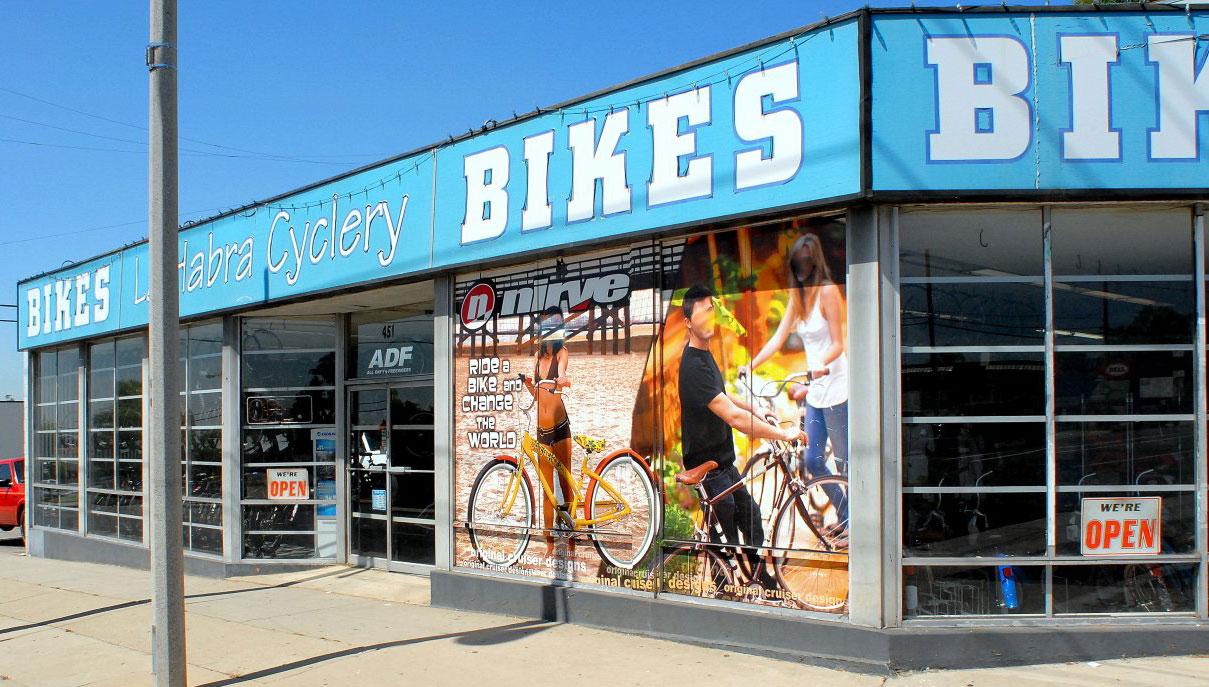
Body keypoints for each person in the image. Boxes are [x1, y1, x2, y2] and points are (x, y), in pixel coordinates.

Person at [678, 285, 805, 589]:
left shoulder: (704, 355)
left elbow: (725, 398)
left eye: (712, 310)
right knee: (730, 539)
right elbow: (733, 418)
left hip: (722, 463)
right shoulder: (694, 365)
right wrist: (782, 433)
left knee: (751, 517)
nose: (710, 317)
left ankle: (757, 579)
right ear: (688, 323)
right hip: (708, 465)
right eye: (703, 312)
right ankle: (728, 591)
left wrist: (759, 410)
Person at [743, 233, 848, 522]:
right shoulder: (797, 298)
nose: (802, 268)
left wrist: (820, 365)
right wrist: (749, 365)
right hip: (815, 390)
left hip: (836, 386)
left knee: (844, 462)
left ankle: (852, 525)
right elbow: (778, 339)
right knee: (813, 460)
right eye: (797, 263)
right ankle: (847, 515)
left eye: (807, 262)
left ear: (815, 262)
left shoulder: (827, 291)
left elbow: (839, 344)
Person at [520, 306, 575, 557]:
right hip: (542, 430)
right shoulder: (536, 357)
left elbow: (562, 377)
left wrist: (562, 380)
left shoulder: (562, 353)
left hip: (560, 427)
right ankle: (550, 545)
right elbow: (538, 395)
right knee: (547, 490)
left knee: (566, 485)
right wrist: (529, 385)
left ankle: (572, 542)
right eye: (545, 323)